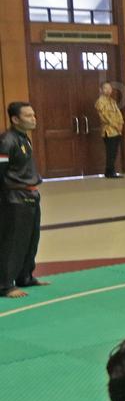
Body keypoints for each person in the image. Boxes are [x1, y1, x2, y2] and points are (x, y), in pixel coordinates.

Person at [1, 101, 48, 299]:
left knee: (31, 238)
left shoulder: (24, 139)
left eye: (33, 114)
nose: (33, 118)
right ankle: (4, 285)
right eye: (28, 115)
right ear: (15, 119)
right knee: (13, 242)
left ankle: (25, 276)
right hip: (14, 197)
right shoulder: (7, 141)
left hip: (30, 195)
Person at [95, 82, 124, 178]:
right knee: (110, 152)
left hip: (117, 130)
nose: (108, 90)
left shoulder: (112, 101)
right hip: (108, 130)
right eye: (105, 88)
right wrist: (115, 125)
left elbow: (118, 114)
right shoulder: (100, 102)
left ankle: (110, 171)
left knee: (114, 151)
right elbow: (104, 116)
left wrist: (120, 124)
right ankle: (110, 172)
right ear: (101, 90)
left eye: (109, 88)